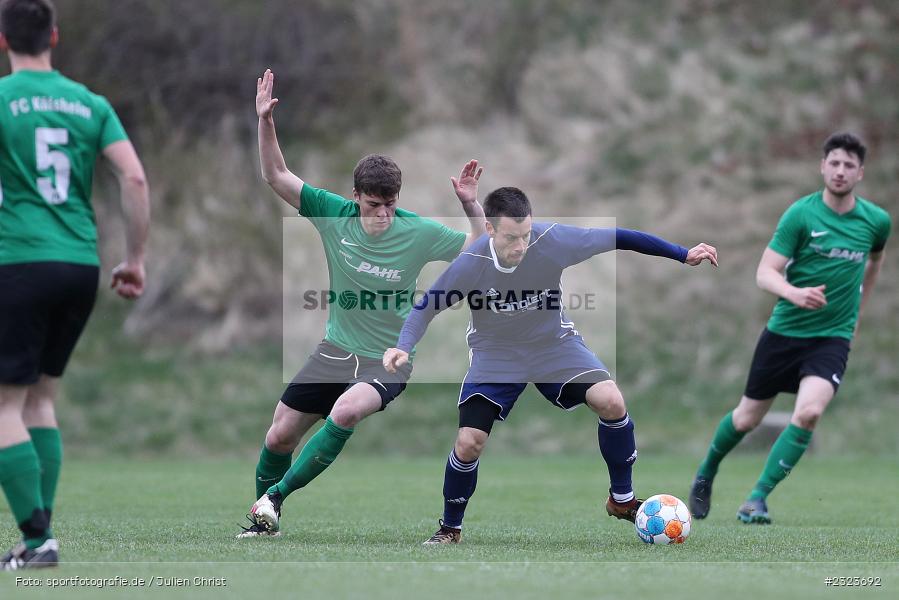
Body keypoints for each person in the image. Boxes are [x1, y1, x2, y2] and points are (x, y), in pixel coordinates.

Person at [382, 186, 717, 543]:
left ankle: (622, 500)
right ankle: (450, 528)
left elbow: (621, 237)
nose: (521, 246)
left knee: (612, 401)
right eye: (512, 237)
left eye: (525, 235)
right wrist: (402, 346)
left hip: (553, 345)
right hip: (497, 355)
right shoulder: (472, 264)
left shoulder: (553, 240)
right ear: (491, 230)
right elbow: (426, 307)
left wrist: (683, 254)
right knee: (468, 443)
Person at [238, 69, 487, 537]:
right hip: (335, 350)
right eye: (374, 204)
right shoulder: (334, 214)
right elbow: (275, 175)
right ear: (356, 198)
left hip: (388, 359)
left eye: (391, 204)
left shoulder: (418, 231)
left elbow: (480, 250)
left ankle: (272, 499)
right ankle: (262, 525)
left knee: (347, 411)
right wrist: (265, 122)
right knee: (278, 435)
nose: (384, 214)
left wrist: (471, 206)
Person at [0, 0, 150, 569]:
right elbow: (132, 176)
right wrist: (134, 257)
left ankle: (38, 540)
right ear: (54, 37)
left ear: (2, 40)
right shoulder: (90, 103)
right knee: (40, 400)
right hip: (79, 266)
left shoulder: (2, 101)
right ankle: (38, 537)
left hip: (19, 262)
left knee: (4, 405)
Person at [689, 132, 891, 524]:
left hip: (831, 338)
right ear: (822, 166)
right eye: (834, 162)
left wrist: (857, 314)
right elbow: (765, 273)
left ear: (860, 173)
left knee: (809, 414)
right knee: (747, 419)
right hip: (784, 333)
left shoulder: (876, 222)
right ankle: (707, 470)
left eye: (849, 165)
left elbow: (875, 263)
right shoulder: (801, 214)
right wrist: (794, 293)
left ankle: (756, 499)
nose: (840, 170)